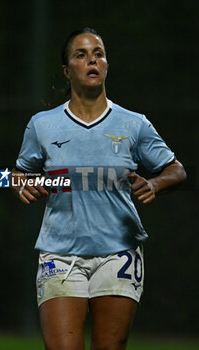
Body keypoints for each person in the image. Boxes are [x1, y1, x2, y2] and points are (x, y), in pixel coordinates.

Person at [11, 28, 186, 350]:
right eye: (81, 54)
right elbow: (14, 175)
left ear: (105, 65)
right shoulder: (43, 124)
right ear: (67, 70)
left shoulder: (134, 124)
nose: (92, 59)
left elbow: (178, 170)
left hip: (119, 251)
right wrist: (19, 183)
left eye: (99, 53)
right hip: (60, 253)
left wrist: (154, 183)